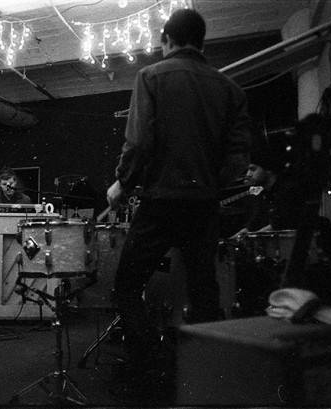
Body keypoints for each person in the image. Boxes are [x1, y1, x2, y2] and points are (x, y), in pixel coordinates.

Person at [105, 8, 251, 400]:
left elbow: (138, 142)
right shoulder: (231, 90)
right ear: (201, 42)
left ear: (166, 40)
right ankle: (205, 378)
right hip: (203, 205)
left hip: (160, 202)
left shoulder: (150, 77)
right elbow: (239, 157)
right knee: (204, 292)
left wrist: (123, 182)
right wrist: (209, 184)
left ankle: (150, 371)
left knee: (127, 287)